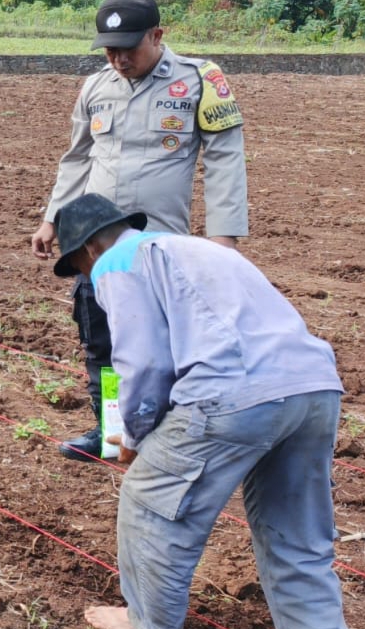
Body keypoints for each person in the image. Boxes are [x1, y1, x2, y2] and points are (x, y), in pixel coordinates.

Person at [51, 193, 347, 629]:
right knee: (295, 537)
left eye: (80, 268)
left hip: (231, 392)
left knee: (149, 505)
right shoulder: (201, 249)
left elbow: (144, 363)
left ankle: (144, 621)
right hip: (314, 388)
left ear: (90, 248)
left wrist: (133, 437)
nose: (87, 277)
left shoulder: (116, 262)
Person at [29, 0, 249, 462]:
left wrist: (224, 238)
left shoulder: (200, 81)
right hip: (95, 245)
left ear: (157, 36)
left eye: (128, 48)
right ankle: (110, 429)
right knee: (101, 339)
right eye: (110, 51)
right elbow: (77, 158)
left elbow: (225, 159)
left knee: (165, 343)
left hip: (162, 243)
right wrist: (53, 218)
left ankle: (172, 434)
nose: (119, 59)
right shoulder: (96, 86)